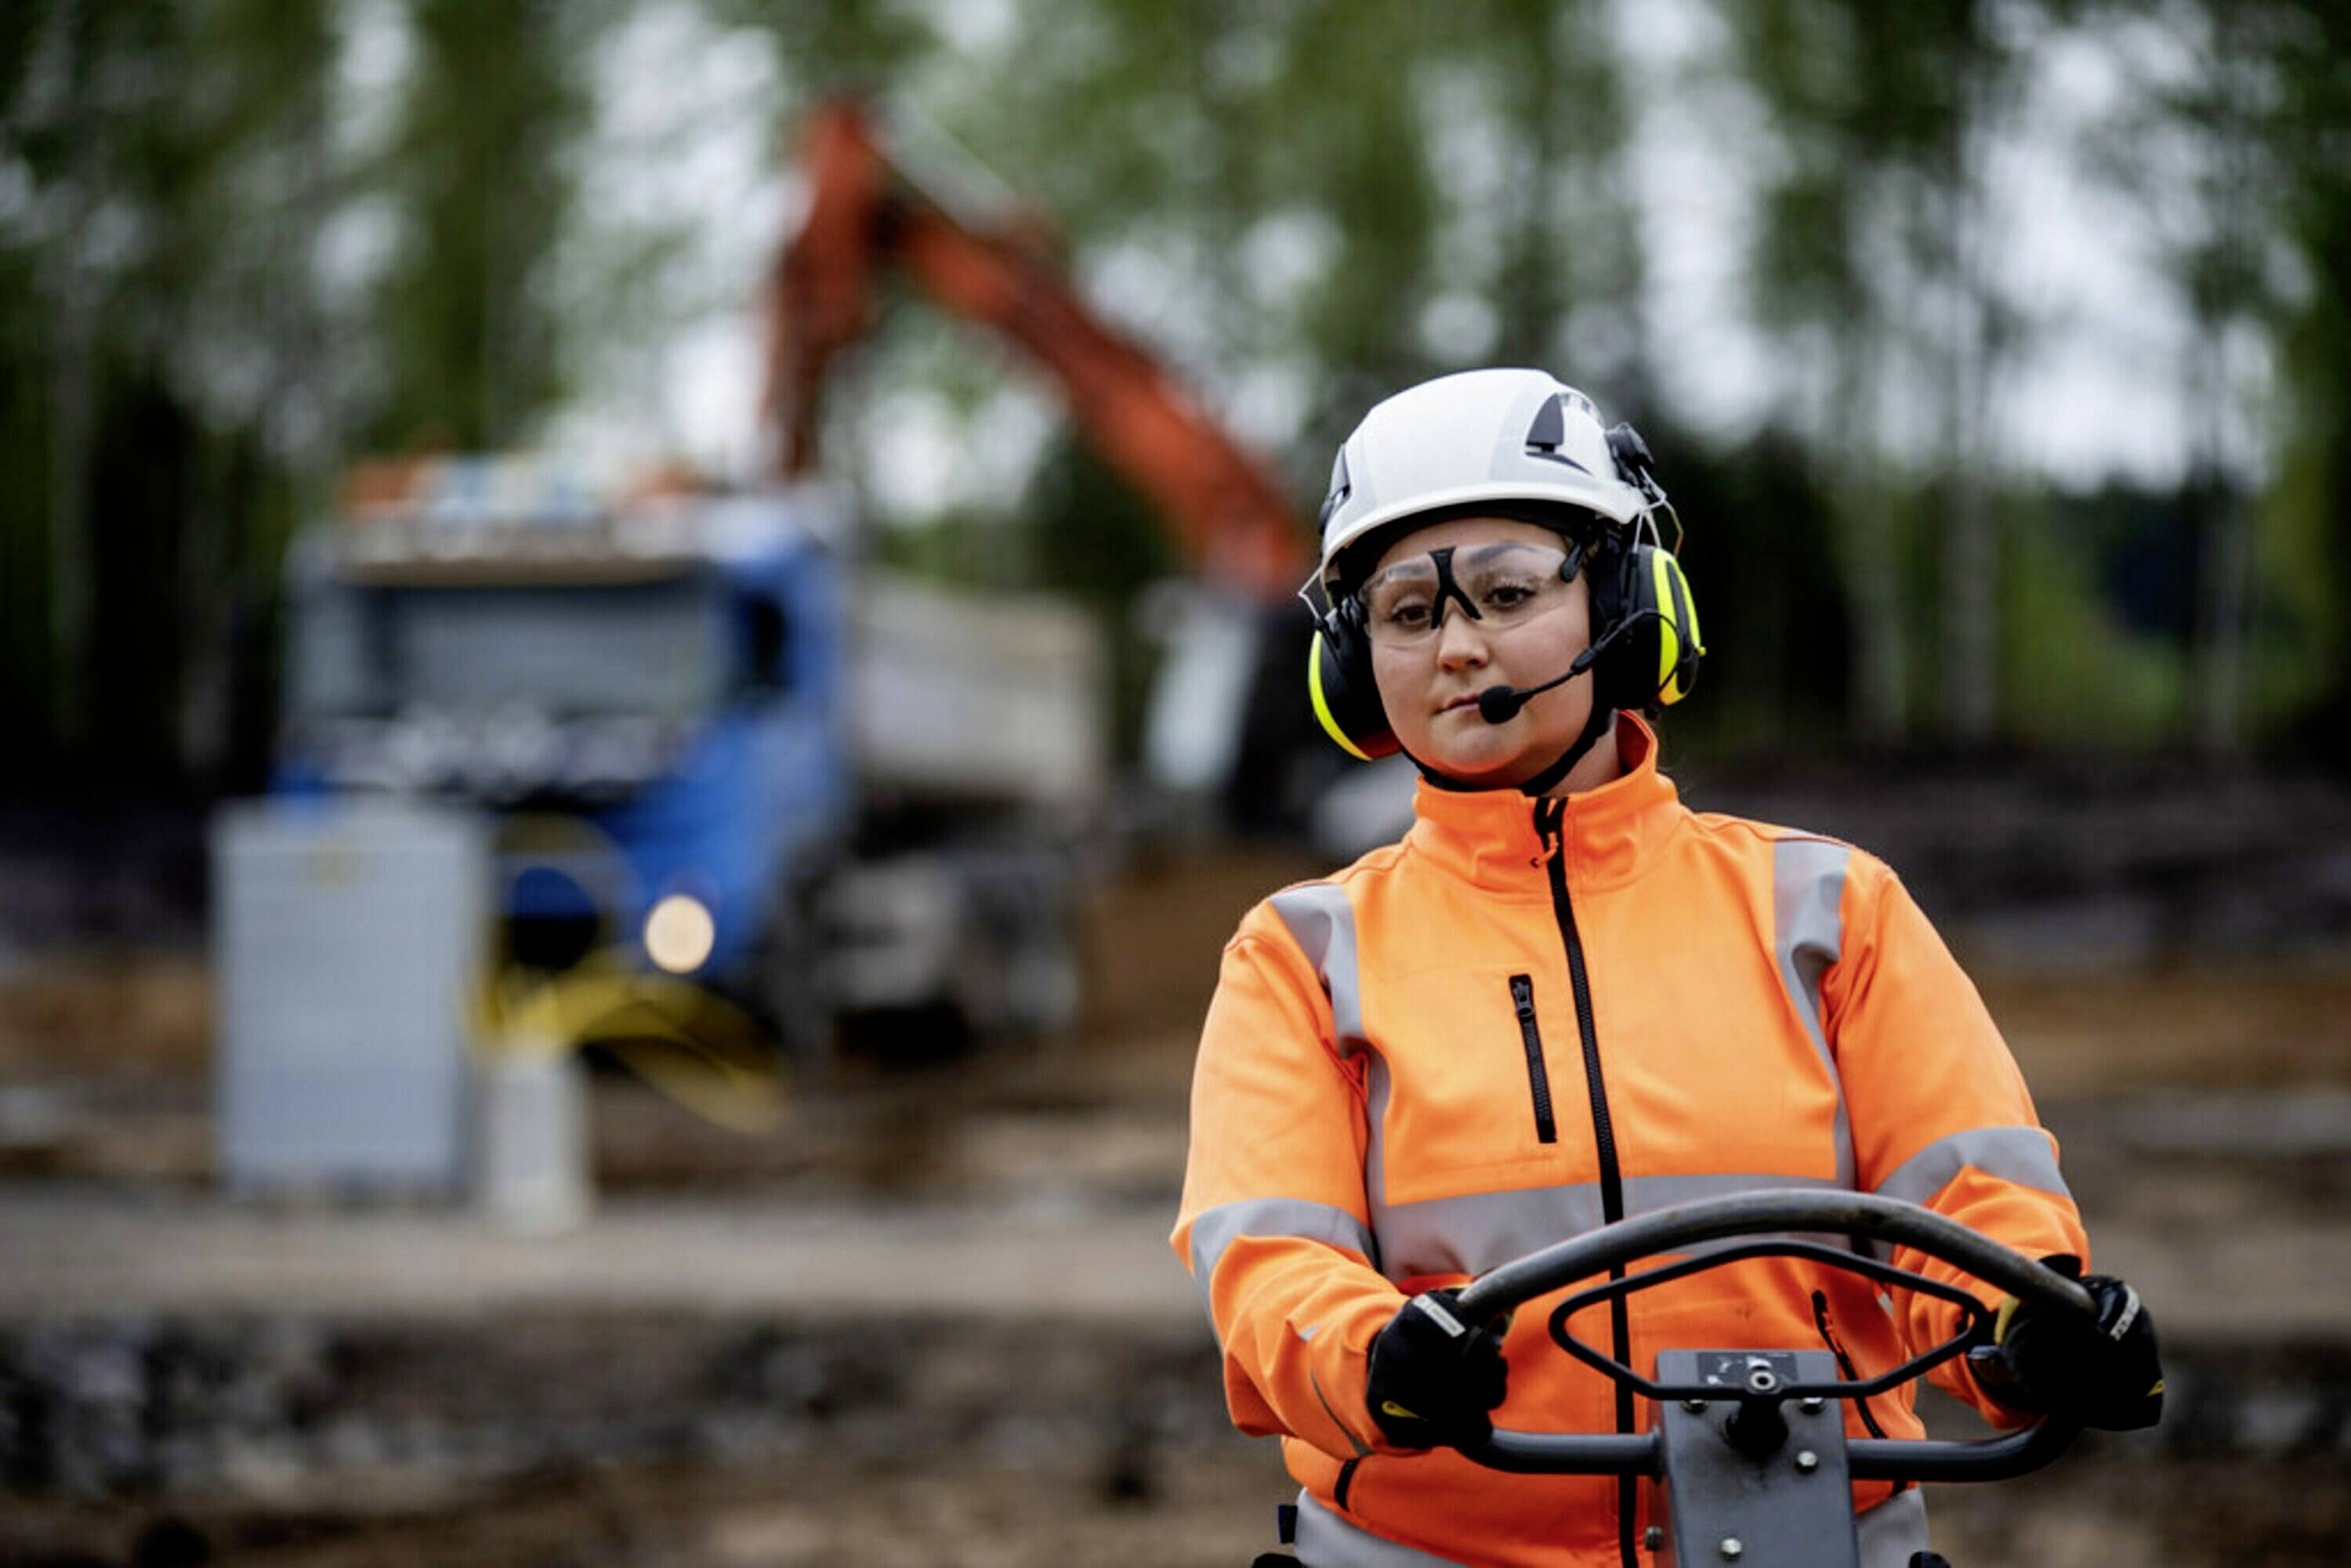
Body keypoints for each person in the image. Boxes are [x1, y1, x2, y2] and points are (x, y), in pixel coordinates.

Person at [1171, 368, 2161, 1568]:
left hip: (1812, 1539)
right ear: (1351, 659)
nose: (1460, 645)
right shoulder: (1301, 956)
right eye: (1406, 611)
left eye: (1505, 589)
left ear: (1626, 598)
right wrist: (1377, 1360)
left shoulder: (1831, 909)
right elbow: (1275, 1269)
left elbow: (1968, 1209)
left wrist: (2026, 1328)